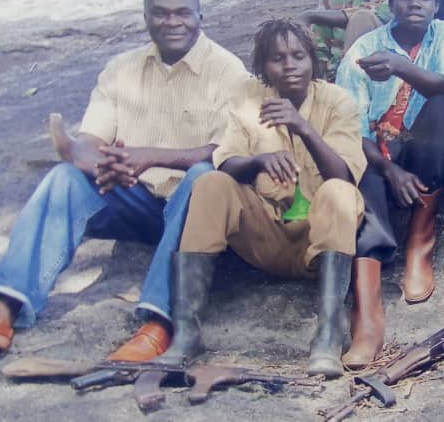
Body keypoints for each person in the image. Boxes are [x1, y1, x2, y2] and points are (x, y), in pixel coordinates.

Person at [0, 0, 248, 361]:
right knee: (65, 179)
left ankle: (158, 324)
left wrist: (149, 156)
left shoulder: (228, 72)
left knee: (203, 177)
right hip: (135, 199)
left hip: (193, 209)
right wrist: (103, 162)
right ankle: (1, 310)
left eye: (183, 13)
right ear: (145, 18)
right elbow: (90, 141)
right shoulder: (122, 69)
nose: (172, 22)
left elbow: (226, 153)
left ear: (200, 17)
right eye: (160, 13)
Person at [152, 19, 366, 379]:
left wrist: (303, 126)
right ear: (262, 67)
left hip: (318, 246)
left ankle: (328, 336)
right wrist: (258, 161)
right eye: (277, 58)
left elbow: (344, 175)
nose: (289, 66)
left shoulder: (336, 101)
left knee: (340, 192)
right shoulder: (249, 98)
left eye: (298, 56)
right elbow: (226, 157)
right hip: (265, 238)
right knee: (210, 183)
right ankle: (187, 332)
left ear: (313, 60)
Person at [335, 0, 444, 368]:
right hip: (377, 154)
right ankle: (368, 317)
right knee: (363, 182)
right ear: (389, 0)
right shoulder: (364, 48)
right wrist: (389, 169)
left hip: (421, 147)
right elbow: (350, 127)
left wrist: (400, 67)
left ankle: (419, 245)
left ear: (436, 2)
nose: (414, 3)